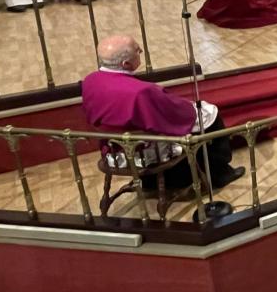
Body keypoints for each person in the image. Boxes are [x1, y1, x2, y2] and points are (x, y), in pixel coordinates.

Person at [81, 35, 242, 189]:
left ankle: (150, 183)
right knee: (210, 115)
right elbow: (177, 117)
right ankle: (220, 173)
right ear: (126, 64)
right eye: (138, 51)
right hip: (143, 152)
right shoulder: (141, 92)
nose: (141, 53)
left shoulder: (90, 80)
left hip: (114, 150)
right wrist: (189, 106)